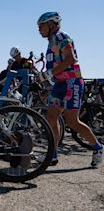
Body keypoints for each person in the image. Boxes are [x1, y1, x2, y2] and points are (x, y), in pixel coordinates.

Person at [37, 12, 103, 167]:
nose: (39, 29)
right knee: (51, 117)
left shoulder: (61, 37)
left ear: (52, 24)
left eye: (41, 26)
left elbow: (71, 59)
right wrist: (46, 77)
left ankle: (98, 148)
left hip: (71, 83)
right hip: (59, 84)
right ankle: (52, 154)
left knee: (72, 121)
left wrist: (49, 74)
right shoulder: (51, 41)